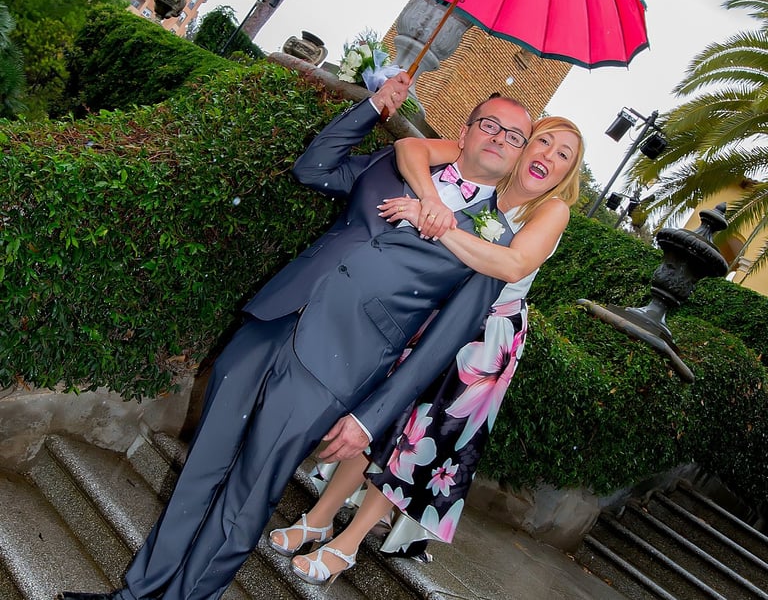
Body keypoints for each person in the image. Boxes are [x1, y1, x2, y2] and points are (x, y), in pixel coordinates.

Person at [59, 73, 534, 600]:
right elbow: (313, 168)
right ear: (464, 133)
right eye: (489, 124)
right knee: (203, 465)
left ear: (516, 158)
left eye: (514, 136)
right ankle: (135, 594)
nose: (499, 138)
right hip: (276, 319)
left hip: (337, 368)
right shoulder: (398, 167)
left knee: (248, 494)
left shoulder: (498, 247)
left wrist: (371, 419)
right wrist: (374, 106)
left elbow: (440, 347)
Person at [269, 116, 583, 585]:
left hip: (483, 341)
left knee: (413, 441)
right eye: (544, 142)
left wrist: (429, 220)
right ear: (523, 145)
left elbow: (511, 262)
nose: (549, 157)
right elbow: (412, 147)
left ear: (568, 174)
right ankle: (318, 518)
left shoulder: (552, 210)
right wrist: (432, 201)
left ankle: (348, 543)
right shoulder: (491, 171)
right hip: (433, 314)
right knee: (377, 419)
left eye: (564, 155)